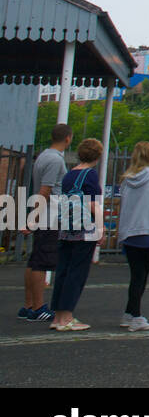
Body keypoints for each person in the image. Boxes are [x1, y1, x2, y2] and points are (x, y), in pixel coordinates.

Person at [49, 138, 105, 332]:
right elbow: (92, 204)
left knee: (63, 271)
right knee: (77, 273)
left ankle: (57, 316)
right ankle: (67, 317)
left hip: (66, 228)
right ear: (97, 156)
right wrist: (101, 228)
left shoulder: (69, 175)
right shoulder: (90, 175)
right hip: (84, 230)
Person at [18, 123, 72, 322]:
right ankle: (39, 307)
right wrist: (34, 218)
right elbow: (46, 190)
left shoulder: (42, 156)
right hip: (49, 216)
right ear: (68, 138)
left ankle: (28, 305)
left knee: (34, 260)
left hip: (44, 214)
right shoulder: (55, 160)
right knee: (42, 261)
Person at [115, 141, 149, 332]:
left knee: (135, 274)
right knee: (141, 276)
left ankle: (129, 313)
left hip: (129, 232)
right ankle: (136, 316)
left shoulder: (126, 179)